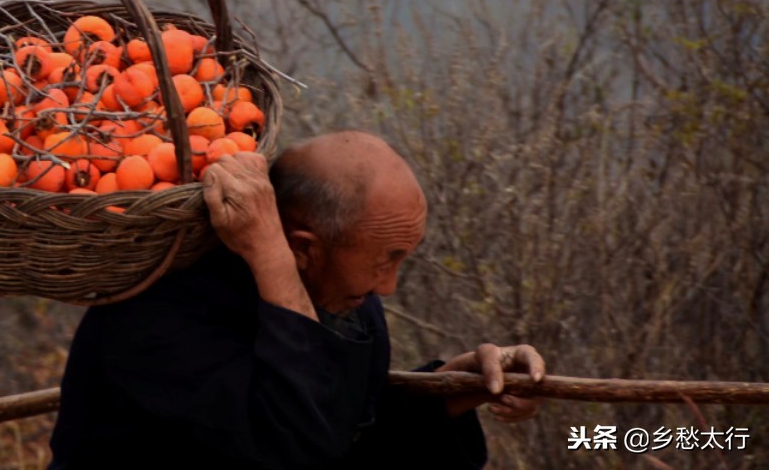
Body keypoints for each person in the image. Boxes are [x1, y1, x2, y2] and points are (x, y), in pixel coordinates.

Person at [49, 130, 544, 469]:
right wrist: (272, 258)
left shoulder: (345, 300)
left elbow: (347, 438)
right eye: (383, 261)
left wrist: (450, 391)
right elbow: (294, 443)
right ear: (303, 247)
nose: (389, 286)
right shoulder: (156, 312)